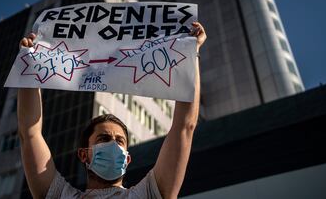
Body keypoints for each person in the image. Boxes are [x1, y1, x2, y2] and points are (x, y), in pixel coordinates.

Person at [17, 22, 207, 199]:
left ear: (128, 159)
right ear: (84, 155)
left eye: (120, 141)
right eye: (104, 139)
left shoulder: (148, 193)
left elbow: (185, 127)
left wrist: (191, 53)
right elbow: (30, 134)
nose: (114, 145)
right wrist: (29, 65)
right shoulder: (61, 196)